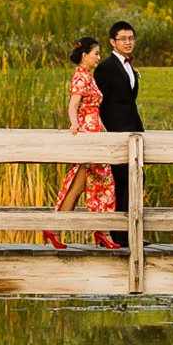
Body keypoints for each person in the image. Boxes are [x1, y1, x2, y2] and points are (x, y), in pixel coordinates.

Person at [43, 36, 120, 252]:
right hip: (87, 135)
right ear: (85, 55)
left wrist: (104, 132)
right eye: (95, 53)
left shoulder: (88, 77)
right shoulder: (80, 78)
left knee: (87, 184)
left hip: (95, 133)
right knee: (96, 182)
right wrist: (75, 126)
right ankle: (101, 231)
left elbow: (93, 110)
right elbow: (72, 106)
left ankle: (60, 229)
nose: (98, 57)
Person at [92, 21, 144, 247]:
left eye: (131, 38)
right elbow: (97, 101)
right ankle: (117, 235)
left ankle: (130, 234)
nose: (128, 42)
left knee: (135, 181)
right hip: (115, 133)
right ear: (112, 42)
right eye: (123, 38)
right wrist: (104, 131)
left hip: (133, 130)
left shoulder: (129, 66)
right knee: (120, 182)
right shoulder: (105, 67)